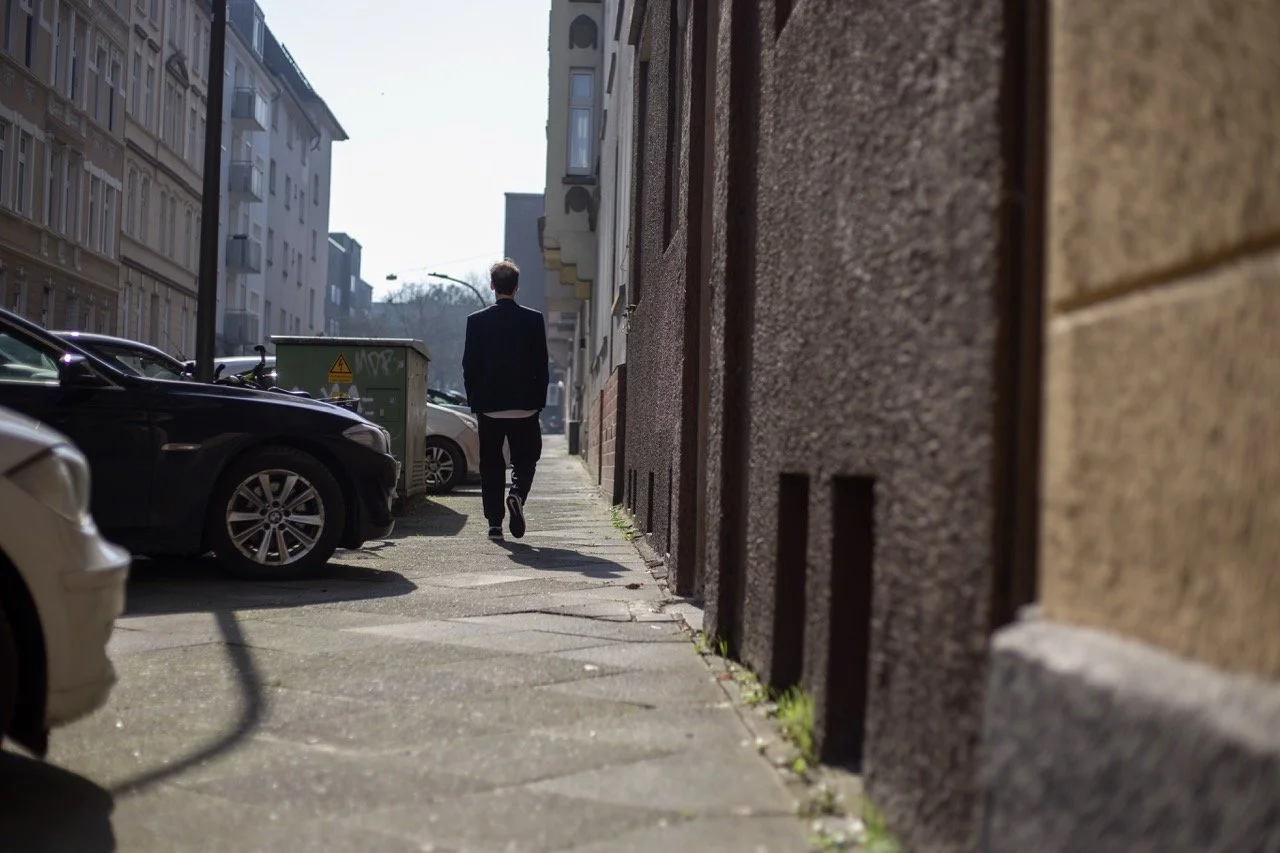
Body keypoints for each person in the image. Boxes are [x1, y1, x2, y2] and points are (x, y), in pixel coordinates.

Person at [462, 259, 550, 540]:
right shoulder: (533, 319)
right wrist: (538, 401)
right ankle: (517, 493)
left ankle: (494, 524)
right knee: (528, 457)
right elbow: (541, 365)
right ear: (517, 287)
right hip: (525, 406)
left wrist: (475, 400)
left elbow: (469, 365)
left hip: (489, 407)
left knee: (491, 464)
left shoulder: (476, 321)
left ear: (491, 287)